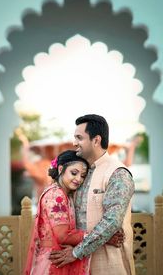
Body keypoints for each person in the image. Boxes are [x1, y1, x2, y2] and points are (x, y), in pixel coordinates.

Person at [49, 114, 135, 275]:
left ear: (96, 140)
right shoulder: (79, 173)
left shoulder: (117, 173)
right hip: (76, 266)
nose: (74, 143)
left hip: (109, 265)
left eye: (79, 138)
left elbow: (111, 222)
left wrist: (76, 252)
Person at [24, 149, 124, 275]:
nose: (78, 179)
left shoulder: (66, 194)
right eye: (74, 173)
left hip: (58, 258)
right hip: (53, 262)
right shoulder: (56, 195)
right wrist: (104, 238)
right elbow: (63, 235)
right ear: (60, 169)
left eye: (82, 176)